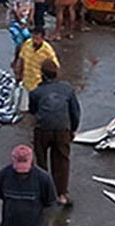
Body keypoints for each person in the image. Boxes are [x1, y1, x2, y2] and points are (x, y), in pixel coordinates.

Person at [29, 60, 80, 207]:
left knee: (42, 161)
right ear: (57, 73)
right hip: (62, 130)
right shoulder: (67, 89)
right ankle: (62, 194)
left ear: (41, 74)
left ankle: (44, 194)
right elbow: (75, 112)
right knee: (62, 161)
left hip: (42, 130)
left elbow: (33, 110)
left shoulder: (36, 92)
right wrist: (72, 129)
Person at [14, 27, 60, 92]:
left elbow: (55, 67)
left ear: (43, 38)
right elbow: (21, 59)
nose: (35, 41)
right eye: (33, 38)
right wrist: (18, 75)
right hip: (26, 82)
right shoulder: (27, 44)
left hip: (39, 85)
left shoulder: (48, 51)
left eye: (37, 39)